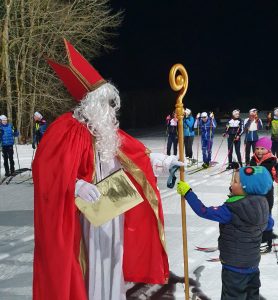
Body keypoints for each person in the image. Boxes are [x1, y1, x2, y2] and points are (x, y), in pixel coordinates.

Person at [32, 39, 184, 300]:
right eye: (104, 103)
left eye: (110, 103)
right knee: (91, 264)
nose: (110, 109)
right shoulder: (66, 128)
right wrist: (76, 185)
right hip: (86, 217)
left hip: (114, 210)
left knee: (113, 260)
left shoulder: (107, 131)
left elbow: (135, 156)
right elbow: (45, 169)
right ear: (89, 103)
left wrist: (165, 161)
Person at [177, 166, 273, 300]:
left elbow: (203, 211)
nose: (230, 184)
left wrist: (188, 193)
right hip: (252, 265)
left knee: (232, 296)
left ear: (246, 187)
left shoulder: (231, 209)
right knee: (252, 295)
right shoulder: (263, 205)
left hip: (233, 268)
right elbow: (269, 224)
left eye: (235, 182)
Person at [249, 137, 278, 252]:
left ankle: (267, 240)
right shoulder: (252, 160)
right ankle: (255, 237)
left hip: (266, 193)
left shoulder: (273, 161)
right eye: (257, 148)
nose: (259, 151)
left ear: (268, 149)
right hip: (253, 193)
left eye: (262, 149)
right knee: (253, 216)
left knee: (265, 216)